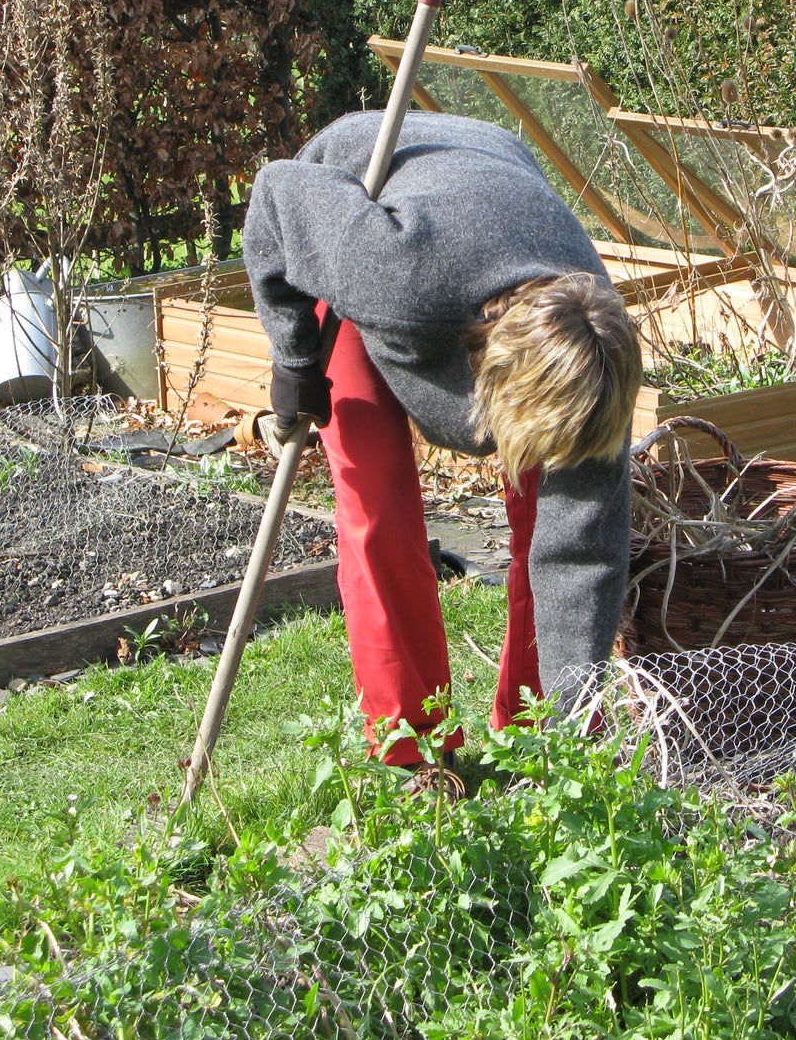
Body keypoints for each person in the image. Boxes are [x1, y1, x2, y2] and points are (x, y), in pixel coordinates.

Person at [242, 109, 641, 765]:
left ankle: (539, 744)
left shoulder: (596, 359)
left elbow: (583, 558)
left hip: (495, 181)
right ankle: (416, 751)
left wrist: (574, 741)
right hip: (368, 183)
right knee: (376, 503)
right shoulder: (389, 271)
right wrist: (293, 359)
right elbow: (277, 193)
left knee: (558, 510)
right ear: (490, 379)